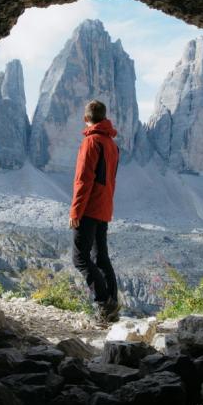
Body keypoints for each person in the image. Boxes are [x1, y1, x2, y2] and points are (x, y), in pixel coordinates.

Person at [69, 99, 121, 325]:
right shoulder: (112, 144)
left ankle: (104, 304)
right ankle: (113, 308)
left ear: (86, 118)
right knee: (101, 258)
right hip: (104, 206)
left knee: (80, 258)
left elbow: (84, 180)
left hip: (89, 208)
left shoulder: (91, 142)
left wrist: (75, 212)